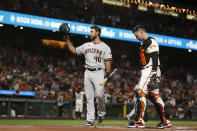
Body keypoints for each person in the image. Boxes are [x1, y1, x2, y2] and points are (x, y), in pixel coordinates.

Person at [64, 25, 112, 126]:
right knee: (89, 97)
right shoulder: (86, 45)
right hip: (88, 72)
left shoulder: (105, 46)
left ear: (97, 33)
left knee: (99, 94)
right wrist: (68, 41)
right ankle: (90, 119)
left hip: (99, 71)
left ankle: (101, 113)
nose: (90, 33)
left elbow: (108, 61)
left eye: (92, 31)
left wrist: (108, 72)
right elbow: (74, 50)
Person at [128, 25, 171, 128]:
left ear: (142, 32)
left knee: (140, 92)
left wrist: (153, 72)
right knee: (154, 97)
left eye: (136, 35)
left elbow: (155, 57)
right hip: (148, 70)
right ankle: (165, 121)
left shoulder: (150, 41)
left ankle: (139, 121)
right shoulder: (144, 43)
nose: (136, 37)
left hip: (150, 69)